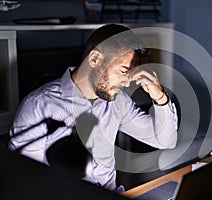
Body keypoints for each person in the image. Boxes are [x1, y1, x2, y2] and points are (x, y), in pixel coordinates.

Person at [8, 24, 178, 192]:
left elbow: (165, 141)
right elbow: (27, 181)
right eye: (123, 70)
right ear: (95, 59)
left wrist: (160, 97)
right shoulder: (38, 105)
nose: (127, 82)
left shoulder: (118, 102)